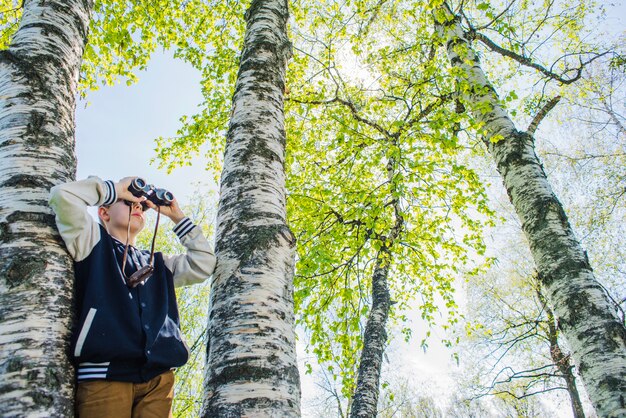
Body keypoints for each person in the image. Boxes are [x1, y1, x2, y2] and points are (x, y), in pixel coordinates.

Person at [49, 176, 216, 418]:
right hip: (105, 374)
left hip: (159, 379)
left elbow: (203, 263)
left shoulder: (159, 264)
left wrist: (176, 216)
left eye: (142, 206)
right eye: (128, 202)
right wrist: (117, 189)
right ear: (104, 213)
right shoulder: (91, 241)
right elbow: (62, 196)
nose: (137, 206)